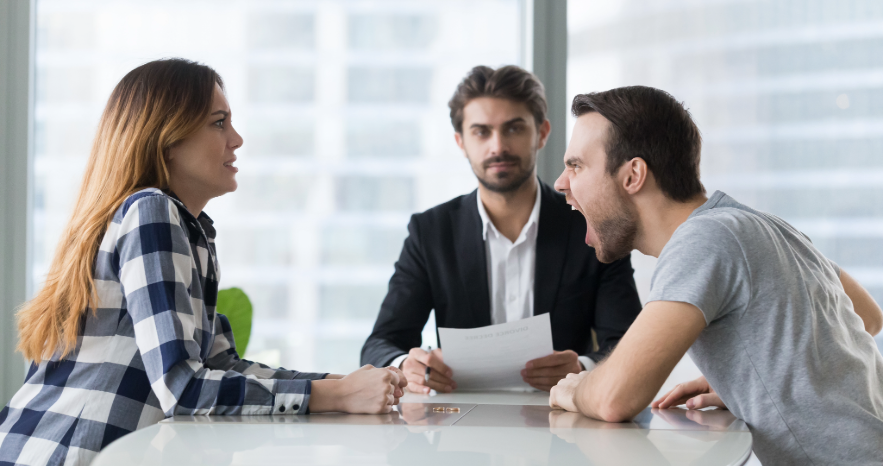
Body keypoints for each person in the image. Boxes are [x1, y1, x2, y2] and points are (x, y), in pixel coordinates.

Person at [0, 59, 407, 466]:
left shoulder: (186, 228)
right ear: (169, 139)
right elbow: (183, 388)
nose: (237, 139)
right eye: (219, 123)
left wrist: (340, 384)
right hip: (62, 455)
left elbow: (218, 364)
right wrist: (332, 396)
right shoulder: (151, 212)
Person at [548, 85, 883, 465]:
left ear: (633, 175)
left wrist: (574, 390)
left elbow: (614, 398)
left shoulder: (702, 240)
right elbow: (868, 317)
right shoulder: (761, 225)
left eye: (576, 166)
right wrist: (754, 379)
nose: (561, 183)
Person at [360, 65, 643, 394]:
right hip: (460, 427)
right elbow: (380, 343)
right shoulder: (431, 233)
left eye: (513, 129)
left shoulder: (591, 226)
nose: (498, 146)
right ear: (461, 142)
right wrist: (405, 366)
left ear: (542, 133)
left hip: (565, 422)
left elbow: (628, 342)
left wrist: (582, 368)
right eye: (481, 132)